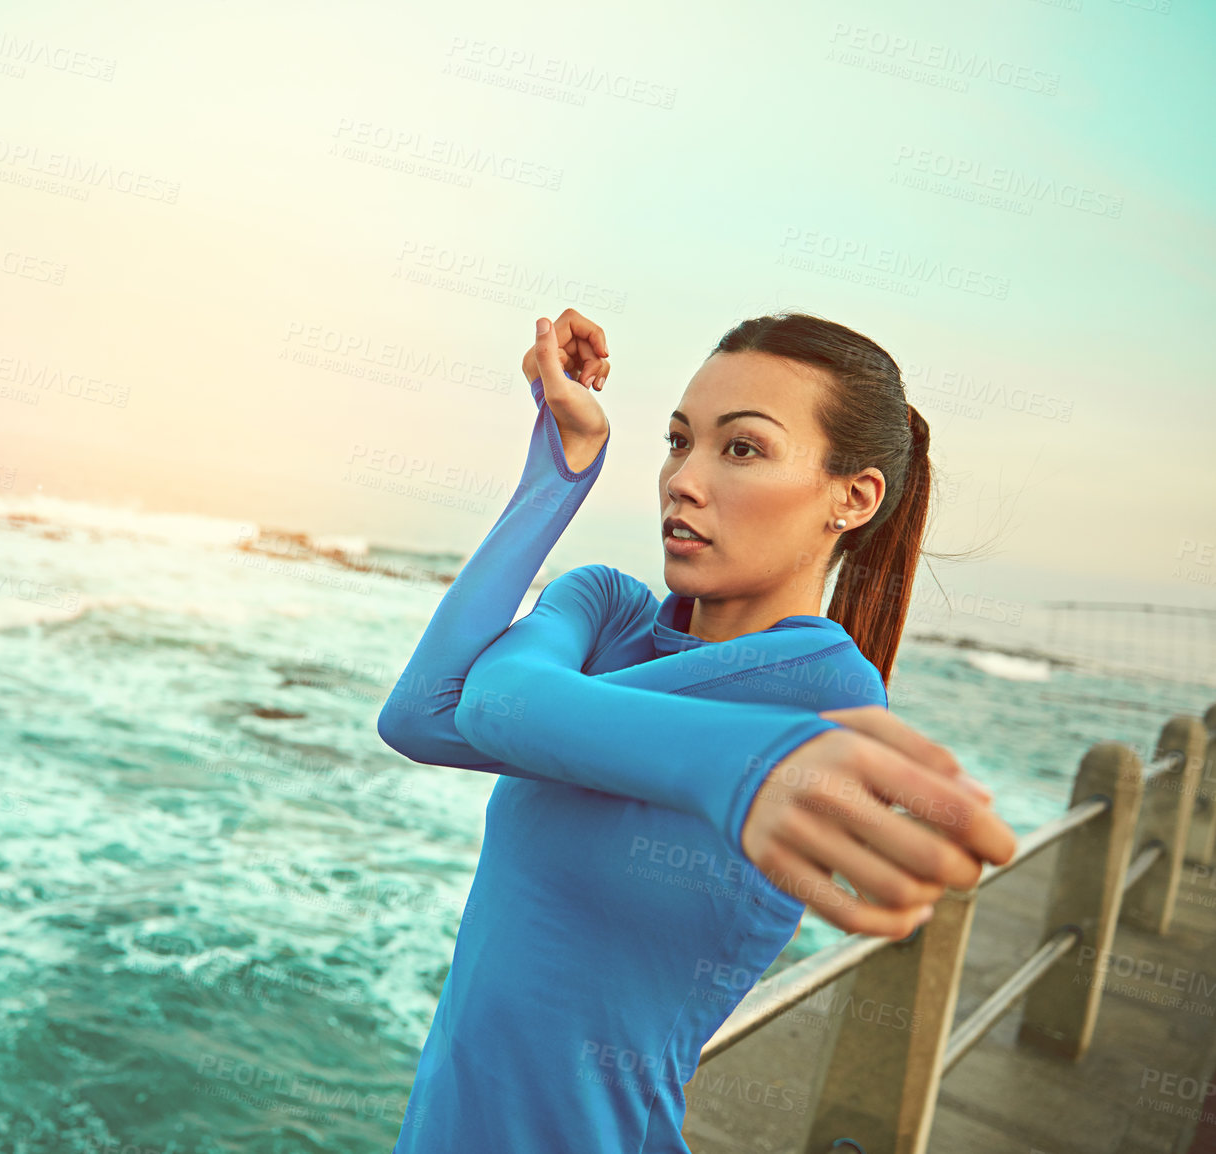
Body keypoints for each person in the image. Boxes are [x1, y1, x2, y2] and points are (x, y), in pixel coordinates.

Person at [375, 309, 1018, 1153]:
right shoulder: (605, 611)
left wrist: (759, 761)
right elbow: (429, 712)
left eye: (742, 448)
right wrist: (560, 466)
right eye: (680, 441)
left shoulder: (828, 698)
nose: (683, 478)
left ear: (853, 498)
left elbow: (501, 700)